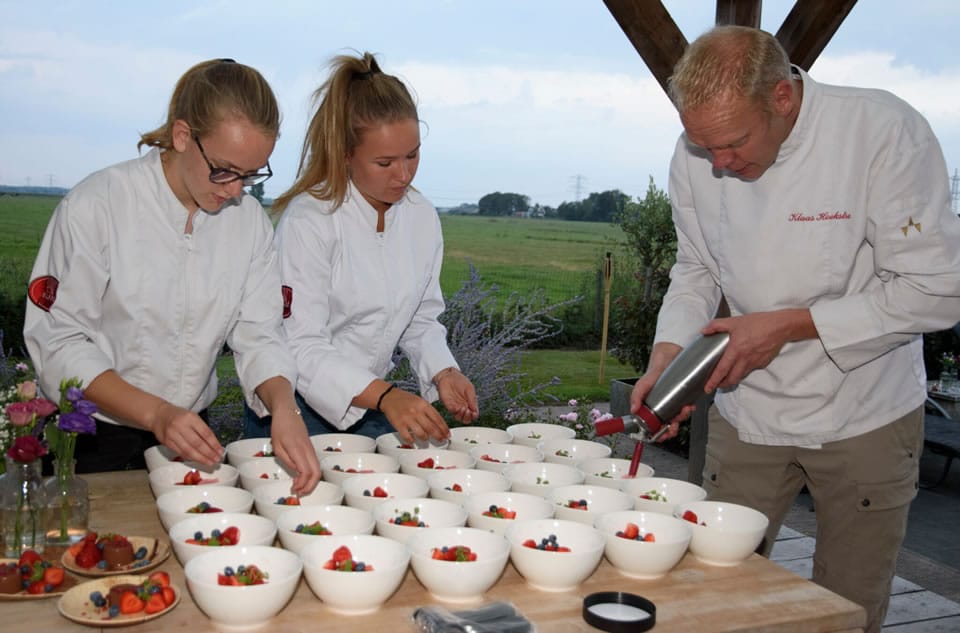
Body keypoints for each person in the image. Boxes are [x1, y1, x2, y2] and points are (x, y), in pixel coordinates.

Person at [629, 26, 960, 633]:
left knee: (844, 608)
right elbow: (697, 268)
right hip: (747, 411)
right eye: (705, 148)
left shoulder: (882, 132)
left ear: (782, 97)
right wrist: (668, 353)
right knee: (715, 596)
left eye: (731, 143)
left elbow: (936, 290)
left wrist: (787, 327)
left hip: (864, 410)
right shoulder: (696, 151)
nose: (719, 164)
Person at [24, 58, 321, 494]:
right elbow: (60, 343)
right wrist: (156, 414)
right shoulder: (98, 205)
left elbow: (260, 334)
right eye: (224, 169)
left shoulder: (248, 223)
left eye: (252, 174)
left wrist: (283, 407)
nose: (236, 190)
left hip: (188, 436)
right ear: (183, 136)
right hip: (91, 437)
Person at [243, 51, 478, 445]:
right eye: (385, 163)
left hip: (373, 406)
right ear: (346, 153)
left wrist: (443, 371)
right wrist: (387, 396)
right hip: (296, 410)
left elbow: (420, 318)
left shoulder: (421, 217)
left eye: (413, 155)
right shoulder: (310, 220)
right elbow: (300, 342)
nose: (404, 175)